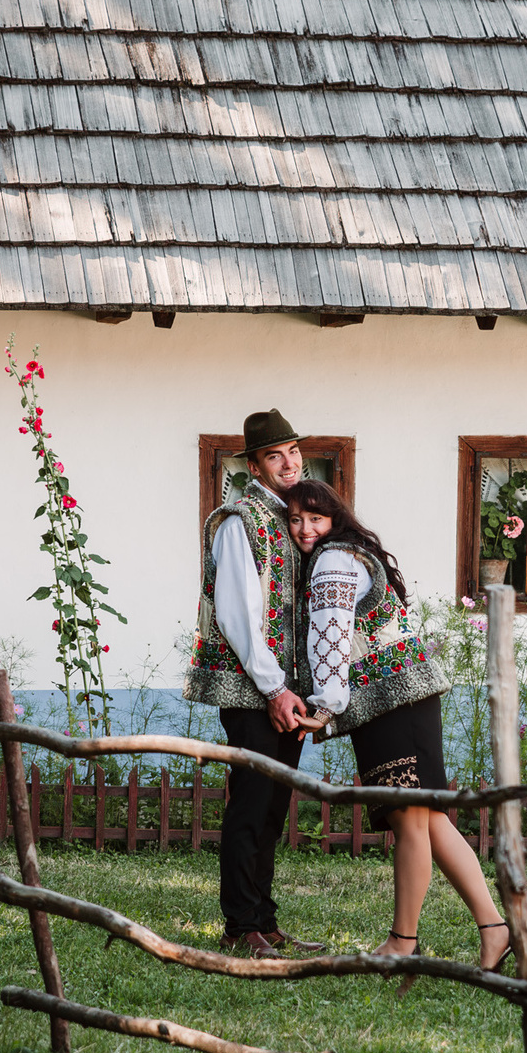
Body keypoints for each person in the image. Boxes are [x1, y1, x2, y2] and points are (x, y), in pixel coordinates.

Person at [283, 479, 512, 972]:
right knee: (430, 818)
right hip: (410, 696)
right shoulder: (354, 552)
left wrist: (325, 704)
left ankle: (402, 941)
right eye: (296, 519)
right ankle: (496, 928)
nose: (305, 529)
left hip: (390, 702)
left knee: (409, 820)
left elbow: (332, 635)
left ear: (334, 518)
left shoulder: (333, 561)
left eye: (315, 519)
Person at [183, 407, 327, 959]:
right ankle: (240, 924)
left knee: (273, 806)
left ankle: (263, 918)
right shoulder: (240, 520)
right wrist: (273, 688)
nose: (289, 463)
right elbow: (238, 615)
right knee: (250, 803)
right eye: (275, 456)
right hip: (253, 691)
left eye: (293, 452)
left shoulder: (294, 517)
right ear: (255, 465)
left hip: (285, 690)